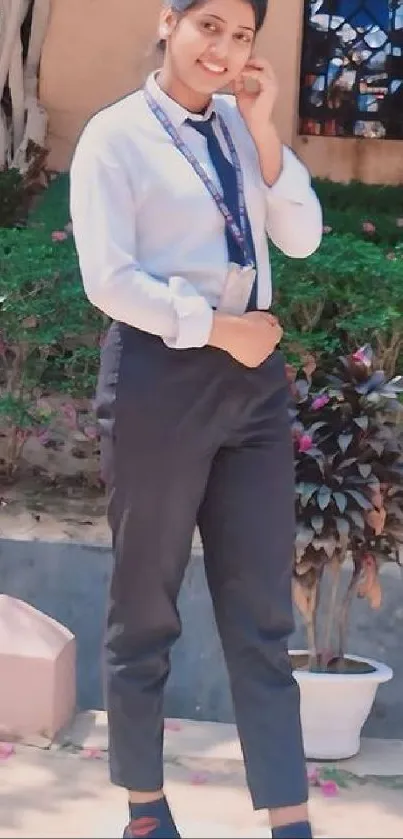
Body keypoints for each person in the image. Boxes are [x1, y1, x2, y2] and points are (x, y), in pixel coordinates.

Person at [70, 1, 323, 837]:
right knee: (145, 601)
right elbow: (109, 279)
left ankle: (289, 816)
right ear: (166, 21)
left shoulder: (237, 133)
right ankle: (145, 807)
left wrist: (264, 126)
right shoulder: (116, 137)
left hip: (253, 385)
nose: (223, 49)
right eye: (208, 25)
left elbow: (300, 239)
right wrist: (217, 328)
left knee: (260, 607)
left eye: (241, 35)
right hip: (159, 377)